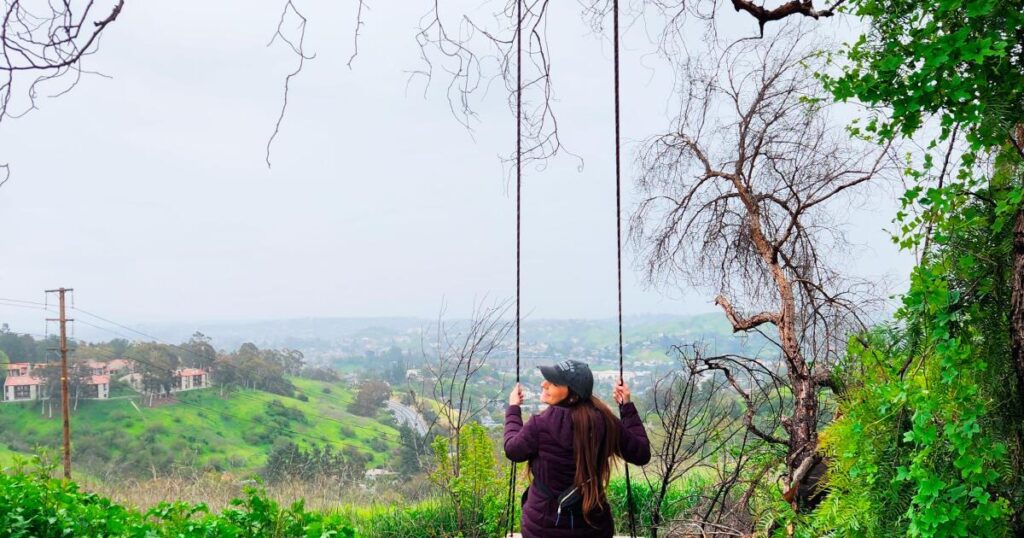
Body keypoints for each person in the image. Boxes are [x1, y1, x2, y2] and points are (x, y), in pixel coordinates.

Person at [505, 359, 650, 537]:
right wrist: (626, 407)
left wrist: (513, 409)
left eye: (554, 382)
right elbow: (641, 453)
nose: (544, 384)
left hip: (542, 527)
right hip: (593, 526)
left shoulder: (539, 425)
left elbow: (512, 450)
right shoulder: (605, 422)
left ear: (572, 395)